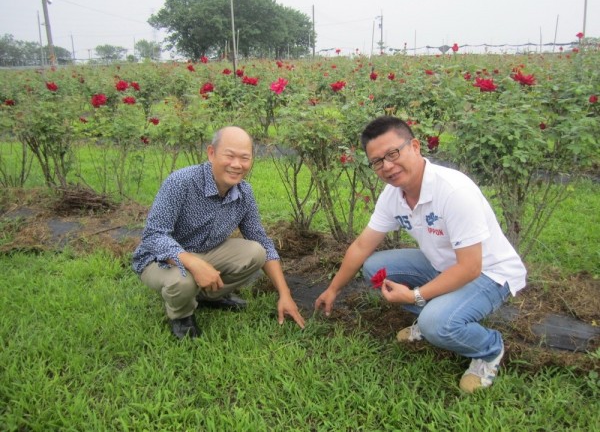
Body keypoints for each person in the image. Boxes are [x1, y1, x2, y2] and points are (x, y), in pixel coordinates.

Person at [314, 116, 526, 393]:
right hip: (444, 266)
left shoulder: (454, 191)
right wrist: (332, 289)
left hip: (490, 274)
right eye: (377, 161)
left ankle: (488, 349)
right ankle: (436, 315)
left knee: (437, 322)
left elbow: (471, 268)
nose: (387, 166)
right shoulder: (393, 195)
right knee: (375, 268)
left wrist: (415, 296)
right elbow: (361, 246)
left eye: (393, 153)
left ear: (414, 146)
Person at [133, 126, 305, 339]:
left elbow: (262, 240)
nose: (237, 165)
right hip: (158, 260)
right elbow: (153, 236)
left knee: (256, 252)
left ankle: (208, 297)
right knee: (183, 281)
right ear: (211, 153)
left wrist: (285, 294)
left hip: (205, 251)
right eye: (229, 156)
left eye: (245, 158)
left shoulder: (244, 192)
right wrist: (194, 264)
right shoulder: (181, 182)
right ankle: (181, 315)